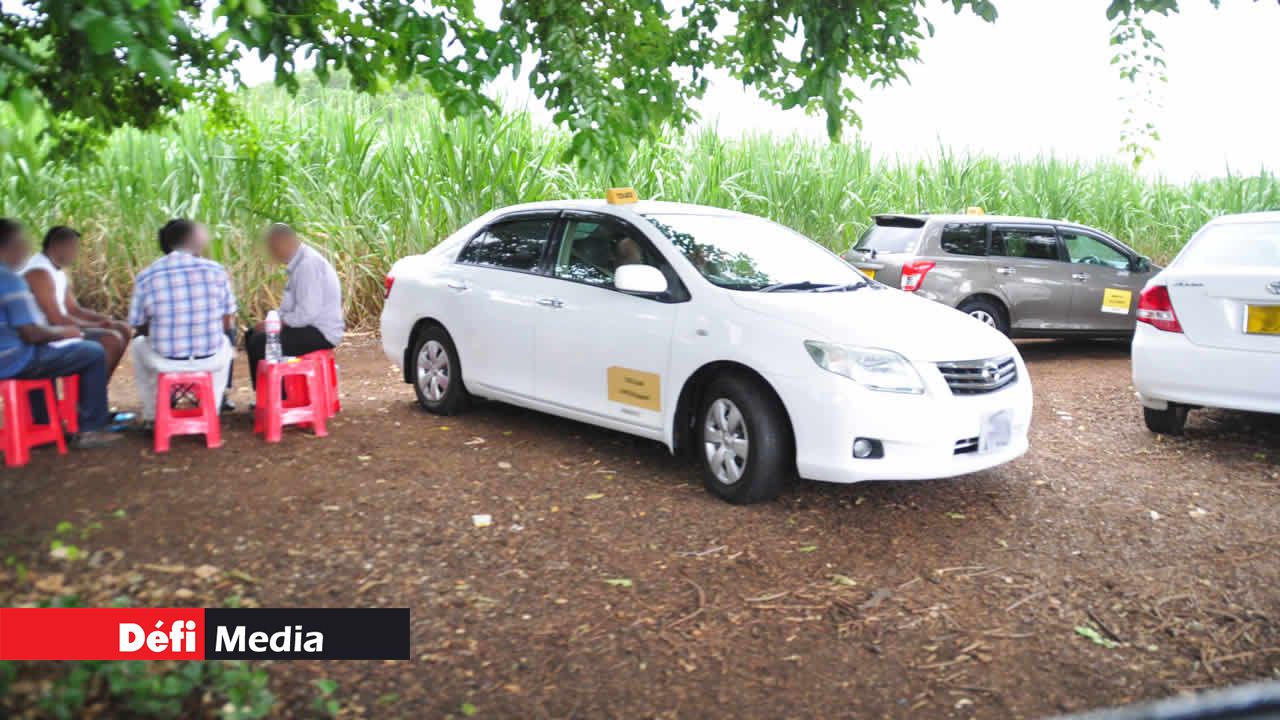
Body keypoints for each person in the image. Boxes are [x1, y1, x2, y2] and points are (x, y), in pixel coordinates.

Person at [0, 219, 120, 448]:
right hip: (12, 361)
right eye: (21, 244)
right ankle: (90, 429)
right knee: (92, 353)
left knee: (42, 355)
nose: (26, 250)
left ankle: (44, 421)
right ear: (8, 247)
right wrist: (63, 332)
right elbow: (31, 334)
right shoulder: (11, 280)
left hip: (9, 356)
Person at [129, 219, 236, 423]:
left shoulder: (147, 276)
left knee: (138, 344)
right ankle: (213, 406)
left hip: (165, 361)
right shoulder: (216, 271)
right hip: (209, 359)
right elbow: (227, 318)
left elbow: (138, 323)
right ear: (192, 240)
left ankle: (153, 415)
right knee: (226, 339)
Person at [22, 226, 131, 380]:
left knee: (123, 328)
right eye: (73, 248)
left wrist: (102, 319)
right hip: (44, 338)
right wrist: (96, 325)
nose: (76, 253)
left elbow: (73, 309)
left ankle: (95, 387)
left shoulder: (56, 271)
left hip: (58, 329)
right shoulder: (39, 272)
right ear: (56, 246)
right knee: (111, 340)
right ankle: (91, 392)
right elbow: (57, 319)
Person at [245, 224, 343, 387]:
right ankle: (265, 393)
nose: (272, 254)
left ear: (284, 242)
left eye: (273, 248)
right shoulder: (299, 264)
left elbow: (307, 314)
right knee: (252, 334)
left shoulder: (307, 265)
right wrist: (271, 322)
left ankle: (277, 394)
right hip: (307, 327)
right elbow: (290, 309)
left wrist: (278, 323)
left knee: (259, 343)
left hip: (321, 332)